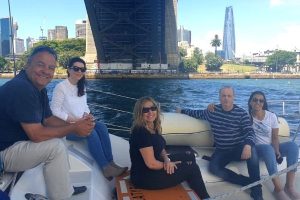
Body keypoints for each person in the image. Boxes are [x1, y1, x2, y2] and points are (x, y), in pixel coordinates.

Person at [0, 46, 94, 200]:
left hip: (15, 144)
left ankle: (65, 186)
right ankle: (62, 196)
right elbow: (36, 134)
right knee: (55, 147)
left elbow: (48, 119)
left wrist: (76, 125)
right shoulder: (21, 88)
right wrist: (74, 128)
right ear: (27, 64)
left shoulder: (38, 88)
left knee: (59, 138)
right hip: (4, 153)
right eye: (40, 64)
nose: (46, 71)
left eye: (51, 67)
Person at [177, 86, 264, 200]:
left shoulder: (241, 113)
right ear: (219, 97)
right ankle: (249, 182)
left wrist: (247, 145)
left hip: (238, 149)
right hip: (222, 150)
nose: (226, 99)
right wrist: (182, 111)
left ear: (234, 97)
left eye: (229, 96)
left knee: (252, 149)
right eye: (223, 96)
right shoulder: (212, 111)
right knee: (213, 168)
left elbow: (250, 132)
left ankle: (257, 191)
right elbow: (196, 113)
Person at [50, 57, 127, 180]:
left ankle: (111, 162)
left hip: (81, 122)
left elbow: (84, 106)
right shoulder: (61, 87)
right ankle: (105, 168)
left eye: (82, 69)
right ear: (68, 70)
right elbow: (54, 110)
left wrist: (88, 114)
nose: (79, 71)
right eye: (76, 68)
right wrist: (73, 120)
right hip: (67, 127)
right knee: (90, 132)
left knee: (101, 126)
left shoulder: (81, 86)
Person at [129, 96, 210, 199]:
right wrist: (166, 165)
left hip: (155, 165)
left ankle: (187, 178)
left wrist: (167, 160)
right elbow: (151, 164)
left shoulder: (153, 126)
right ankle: (206, 197)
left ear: (156, 109)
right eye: (145, 110)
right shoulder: (140, 132)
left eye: (153, 108)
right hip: (145, 177)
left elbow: (161, 148)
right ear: (139, 113)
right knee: (192, 168)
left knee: (189, 156)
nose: (150, 112)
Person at [248, 91, 300, 200]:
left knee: (293, 146)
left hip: (271, 146)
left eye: (261, 100)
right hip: (257, 149)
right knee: (267, 149)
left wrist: (277, 151)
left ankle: (289, 187)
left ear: (264, 103)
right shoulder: (246, 118)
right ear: (250, 102)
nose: (258, 102)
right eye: (255, 100)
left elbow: (275, 137)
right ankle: (278, 189)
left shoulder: (271, 116)